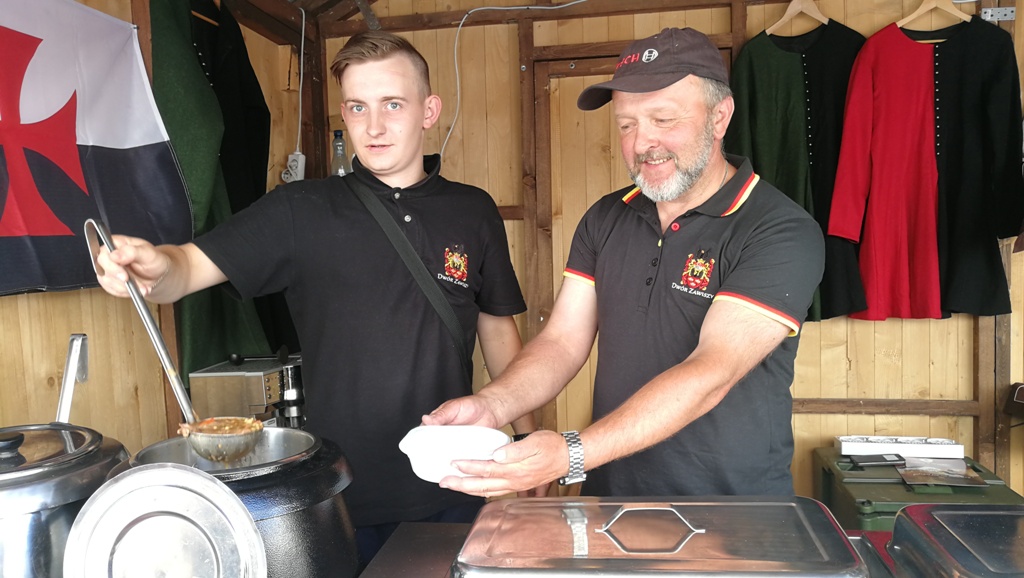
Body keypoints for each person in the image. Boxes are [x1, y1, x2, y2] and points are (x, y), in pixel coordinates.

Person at [93, 30, 538, 568]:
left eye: (393, 104)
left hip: (453, 480)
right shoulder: (299, 210)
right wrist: (155, 266)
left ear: (429, 111)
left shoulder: (473, 211)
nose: (374, 126)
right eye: (358, 107)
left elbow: (497, 328)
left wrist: (525, 441)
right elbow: (186, 268)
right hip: (337, 492)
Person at [423, 27, 825, 499]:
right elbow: (562, 342)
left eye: (664, 119)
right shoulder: (606, 217)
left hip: (732, 509)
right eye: (627, 124)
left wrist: (571, 454)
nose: (643, 143)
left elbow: (711, 370)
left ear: (720, 117)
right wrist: (492, 405)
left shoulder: (778, 229)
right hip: (613, 498)